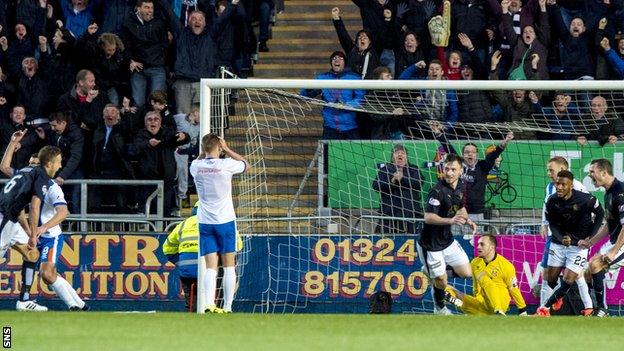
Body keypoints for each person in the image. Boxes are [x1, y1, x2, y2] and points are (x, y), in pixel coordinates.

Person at [190, 133, 249, 313]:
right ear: (219, 147)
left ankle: (209, 303)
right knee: (229, 265)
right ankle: (228, 306)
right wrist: (228, 149)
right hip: (225, 221)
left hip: (205, 223)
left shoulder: (195, 166)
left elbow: (200, 159)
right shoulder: (226, 164)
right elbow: (246, 165)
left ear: (203, 148)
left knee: (210, 266)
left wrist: (203, 152)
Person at [536, 170, 604, 317]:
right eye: (557, 184)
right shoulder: (552, 200)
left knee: (568, 279)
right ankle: (559, 297)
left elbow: (600, 213)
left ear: (571, 185)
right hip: (558, 243)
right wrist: (561, 238)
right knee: (551, 279)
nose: (559, 187)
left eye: (563, 184)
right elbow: (552, 224)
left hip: (578, 246)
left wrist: (590, 238)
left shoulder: (586, 199)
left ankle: (546, 308)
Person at [417, 153, 476, 315]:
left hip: (447, 240)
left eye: (453, 169)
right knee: (442, 282)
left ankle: (431, 271)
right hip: (431, 244)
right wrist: (450, 221)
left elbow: (460, 206)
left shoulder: (461, 185)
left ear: (460, 171)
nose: (449, 173)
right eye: (447, 169)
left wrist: (467, 220)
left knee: (466, 272)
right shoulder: (437, 191)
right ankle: (440, 308)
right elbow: (428, 218)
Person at [431, 122, 514, 229]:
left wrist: (506, 141)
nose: (470, 154)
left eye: (473, 152)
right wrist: (437, 132)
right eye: (467, 152)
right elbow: (448, 146)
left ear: (477, 155)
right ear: (462, 155)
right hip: (457, 213)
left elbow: (494, 154)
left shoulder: (483, 166)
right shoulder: (458, 165)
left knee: (474, 243)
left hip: (476, 214)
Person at [0, 130, 46, 311]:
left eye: (35, 164)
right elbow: (22, 207)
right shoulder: (31, 176)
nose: (32, 166)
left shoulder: (25, 175)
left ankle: (24, 300)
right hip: (5, 218)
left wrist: (29, 233)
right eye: (31, 163)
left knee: (31, 253)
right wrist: (31, 232)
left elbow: (4, 167)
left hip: (12, 219)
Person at [538, 156, 590, 309]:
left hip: (573, 238)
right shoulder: (549, 187)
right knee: (546, 275)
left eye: (551, 170)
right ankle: (543, 309)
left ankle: (590, 308)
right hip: (555, 237)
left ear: (562, 170)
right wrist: (544, 223)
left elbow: (588, 209)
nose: (548, 173)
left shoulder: (578, 187)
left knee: (577, 275)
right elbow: (546, 205)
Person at [579, 159, 624, 317]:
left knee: (596, 264)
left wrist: (613, 251)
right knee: (588, 272)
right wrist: (591, 241)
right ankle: (597, 309)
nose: (589, 174)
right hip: (616, 241)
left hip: (622, 243)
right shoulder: (608, 193)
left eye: (592, 171)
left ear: (604, 173)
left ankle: (602, 310)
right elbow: (608, 225)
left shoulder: (620, 192)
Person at [446, 235, 527, 315]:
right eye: (478, 244)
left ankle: (498, 310)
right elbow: (470, 279)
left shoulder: (506, 265)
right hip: (481, 305)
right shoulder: (475, 262)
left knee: (483, 277)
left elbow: (513, 289)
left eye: (482, 244)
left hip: (500, 303)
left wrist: (522, 310)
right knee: (445, 287)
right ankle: (459, 303)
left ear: (492, 247)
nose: (478, 247)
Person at [300, 51, 365, 140]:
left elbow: (360, 98)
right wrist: (308, 88)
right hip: (330, 127)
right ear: (331, 63)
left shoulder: (354, 78)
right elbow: (305, 95)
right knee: (327, 153)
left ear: (345, 62)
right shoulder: (323, 78)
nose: (337, 60)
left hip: (351, 127)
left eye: (340, 58)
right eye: (334, 58)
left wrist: (346, 105)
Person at [372, 144, 423, 234]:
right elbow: (376, 186)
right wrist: (392, 181)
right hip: (389, 216)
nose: (400, 155)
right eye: (397, 152)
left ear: (406, 157)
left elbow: (419, 183)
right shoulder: (385, 170)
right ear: (392, 157)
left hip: (410, 215)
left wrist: (403, 179)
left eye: (402, 153)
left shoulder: (413, 169)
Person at [163, 205, 200, 311]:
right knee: (225, 266)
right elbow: (237, 246)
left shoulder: (183, 224)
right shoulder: (215, 222)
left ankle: (190, 308)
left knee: (191, 300)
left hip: (186, 269)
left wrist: (181, 262)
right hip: (207, 269)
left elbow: (166, 248)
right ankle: (215, 306)